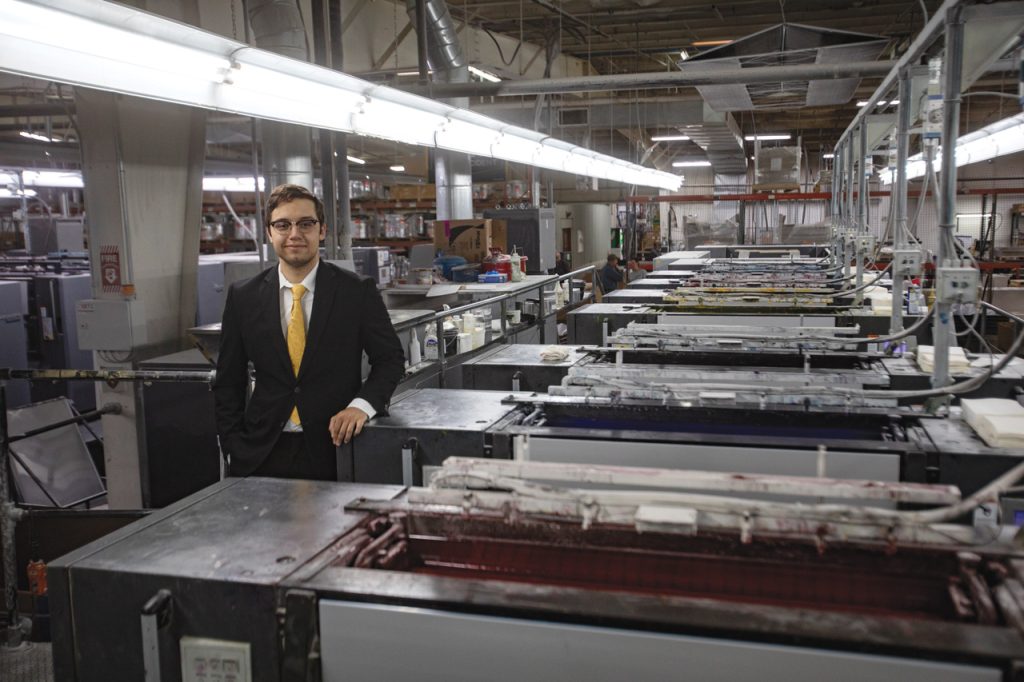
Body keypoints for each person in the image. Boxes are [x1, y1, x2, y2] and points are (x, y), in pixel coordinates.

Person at [214, 183, 406, 480]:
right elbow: (229, 379)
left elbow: (390, 359)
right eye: (283, 224)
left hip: (336, 447)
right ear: (269, 232)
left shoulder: (355, 291)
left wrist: (361, 407)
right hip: (262, 453)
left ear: (322, 230)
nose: (294, 234)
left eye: (305, 223)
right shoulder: (244, 296)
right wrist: (232, 444)